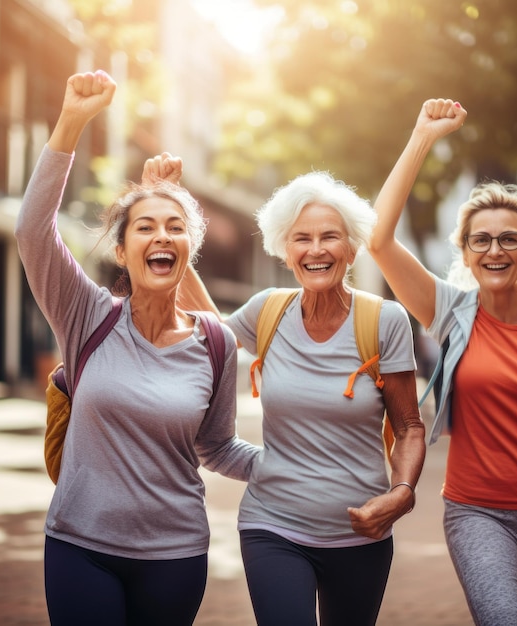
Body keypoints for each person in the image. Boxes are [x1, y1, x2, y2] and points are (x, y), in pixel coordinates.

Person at [15, 70, 260, 626]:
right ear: (123, 253)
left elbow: (218, 448)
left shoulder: (214, 341)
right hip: (80, 545)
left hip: (176, 555)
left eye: (175, 227)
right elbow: (33, 231)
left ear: (188, 250)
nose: (160, 236)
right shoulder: (87, 317)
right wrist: (72, 120)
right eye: (144, 227)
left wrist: (297, 466)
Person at [368, 98, 517, 626]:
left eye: (509, 238)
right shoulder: (450, 312)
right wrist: (421, 138)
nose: (495, 249)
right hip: (476, 511)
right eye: (481, 239)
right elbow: (379, 240)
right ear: (466, 252)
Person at [174, 167, 426, 625]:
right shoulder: (268, 309)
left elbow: (409, 426)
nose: (315, 250)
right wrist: (173, 214)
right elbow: (209, 333)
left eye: (329, 237)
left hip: (360, 534)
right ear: (284, 249)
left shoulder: (384, 320)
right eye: (301, 238)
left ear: (351, 248)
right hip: (272, 524)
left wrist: (401, 493)